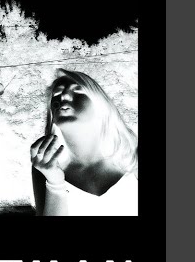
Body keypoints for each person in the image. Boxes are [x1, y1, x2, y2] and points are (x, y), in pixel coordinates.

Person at [29, 69, 138, 216]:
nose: (63, 96)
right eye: (57, 93)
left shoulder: (132, 156)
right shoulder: (45, 165)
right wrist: (55, 184)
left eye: (78, 91)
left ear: (100, 105)